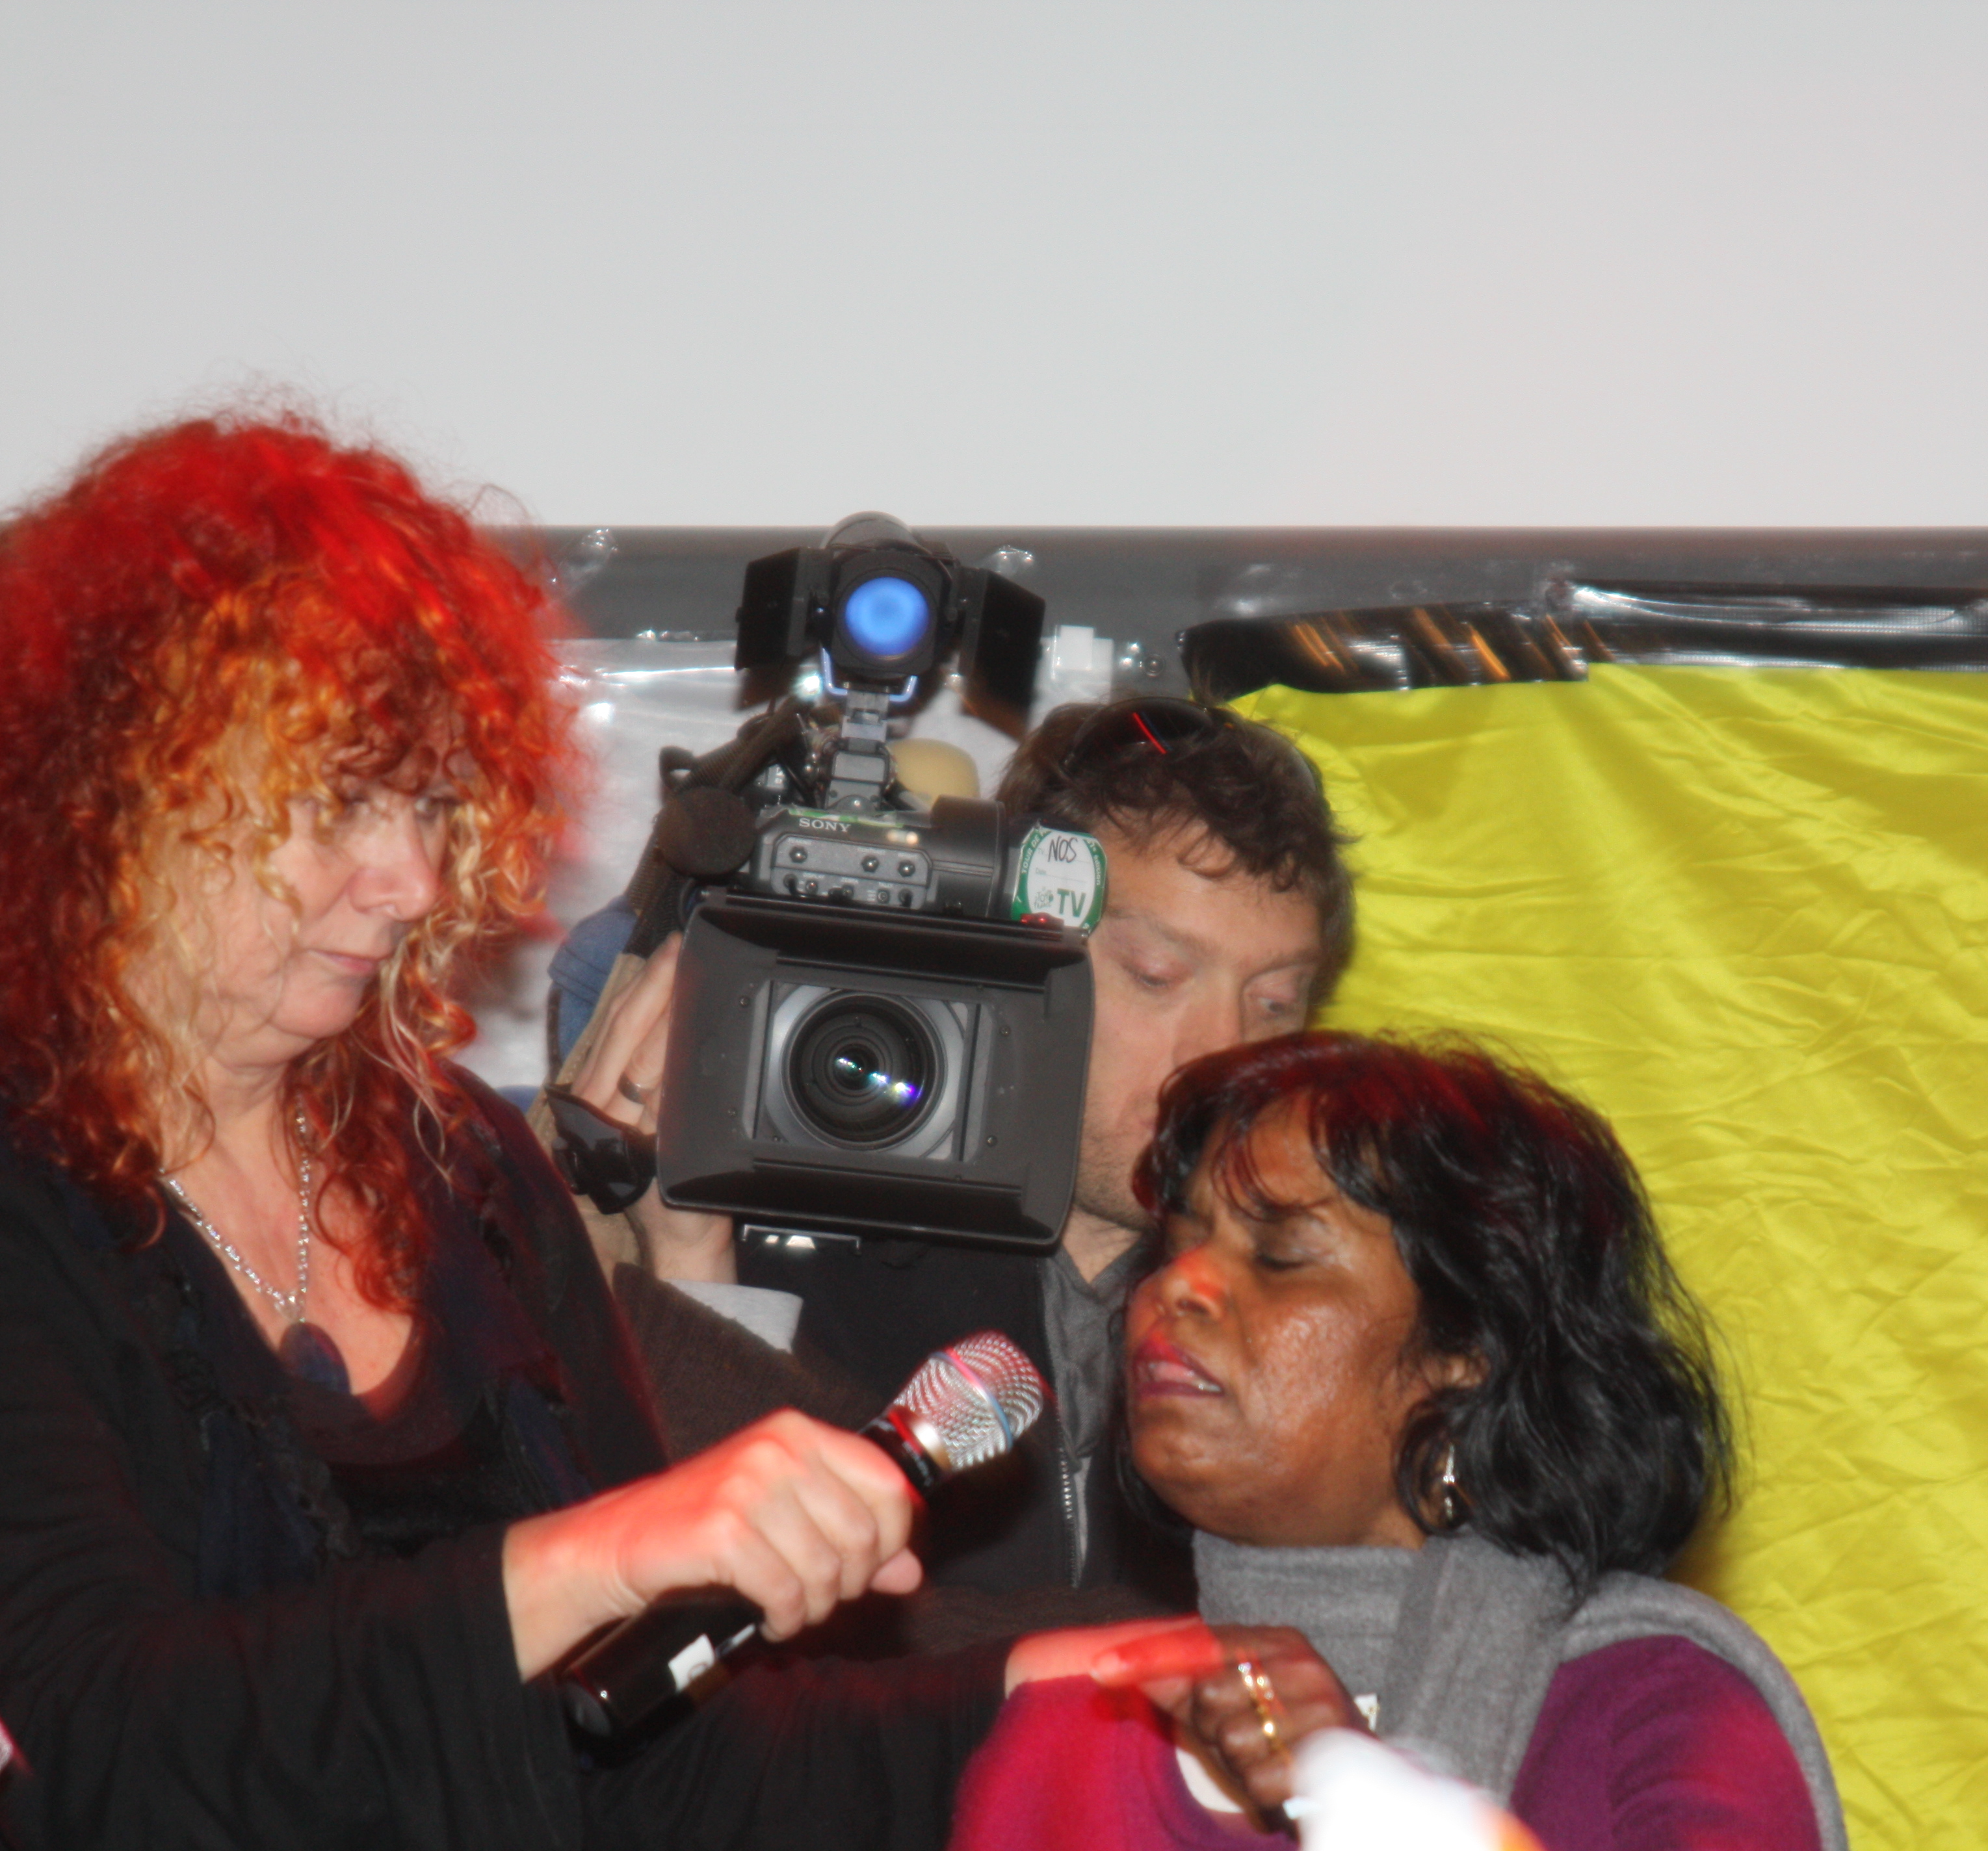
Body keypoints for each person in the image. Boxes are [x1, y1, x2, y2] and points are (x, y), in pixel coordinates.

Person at [0, 411, 1001, 1848]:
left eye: (430, 802)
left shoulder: (461, 1158)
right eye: (342, 800)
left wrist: (1055, 1702)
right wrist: (594, 1557)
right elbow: (110, 1746)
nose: (412, 879)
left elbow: (658, 1758)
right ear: (116, 790)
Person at [944, 1030, 1848, 1851]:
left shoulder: (1653, 1702)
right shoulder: (1068, 1734)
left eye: (1280, 1254)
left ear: (1467, 1352)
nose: (1176, 1287)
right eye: (1176, 1243)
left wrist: (1374, 1807)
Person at [554, 693, 1354, 1615]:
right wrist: (694, 1268)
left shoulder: (1315, 1305)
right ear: (1014, 947)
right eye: (1155, 975)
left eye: (1275, 1002)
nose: (1219, 1054)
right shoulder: (800, 1231)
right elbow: (731, 1639)